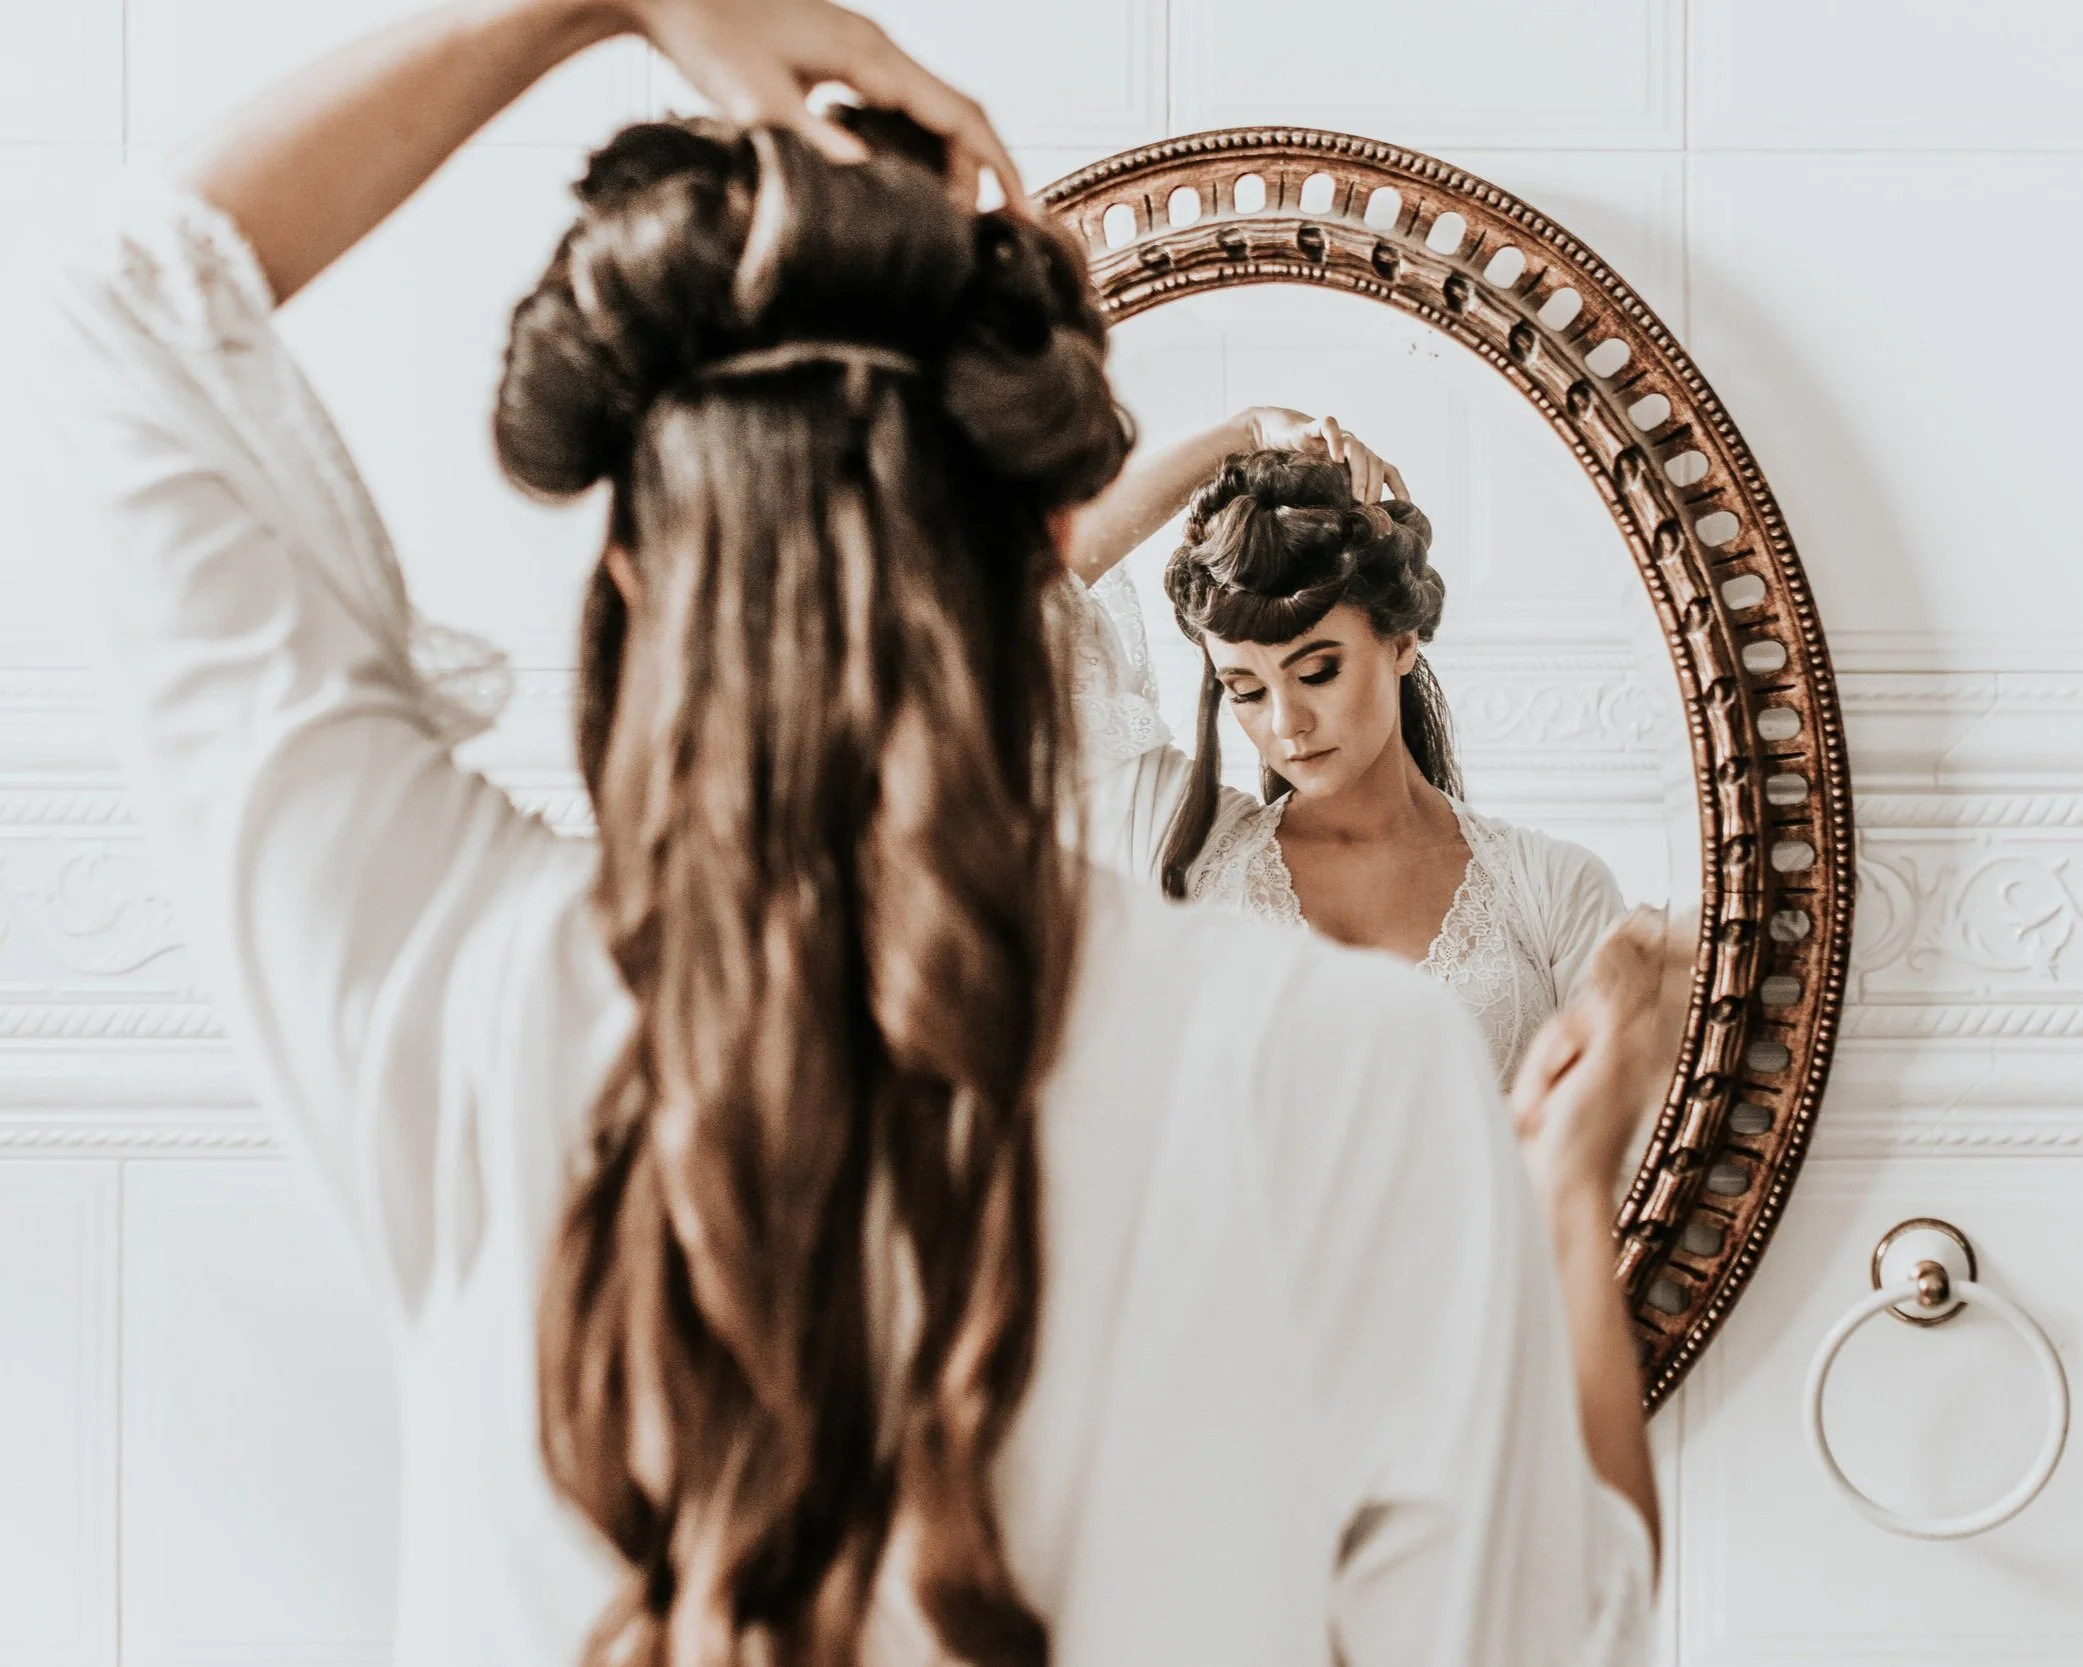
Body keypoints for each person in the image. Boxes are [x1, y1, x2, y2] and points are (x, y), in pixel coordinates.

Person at [33, 1, 1661, 1662]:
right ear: (1043, 556)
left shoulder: (461, 989)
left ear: (631, 573)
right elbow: (1554, 1642)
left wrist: (595, 1)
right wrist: (1557, 1202)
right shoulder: (1355, 1072)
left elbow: (119, 307)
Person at [1063, 416, 1626, 1083]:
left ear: (1402, 641)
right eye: (1244, 690)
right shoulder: (1180, 844)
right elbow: (1018, 592)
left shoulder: (1555, 890)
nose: (1286, 723)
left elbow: (1613, 1159)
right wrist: (1247, 430)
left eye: (1317, 672)